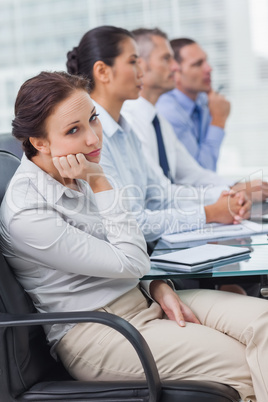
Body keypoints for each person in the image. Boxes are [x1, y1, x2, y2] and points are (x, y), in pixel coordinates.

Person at [1, 70, 268, 402]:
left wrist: (156, 286)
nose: (94, 139)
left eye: (93, 120)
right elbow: (131, 259)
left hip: (143, 297)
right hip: (100, 334)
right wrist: (100, 183)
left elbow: (124, 252)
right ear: (39, 143)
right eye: (74, 130)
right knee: (247, 365)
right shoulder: (28, 213)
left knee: (264, 322)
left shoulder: (80, 167)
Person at [66, 25, 251, 245]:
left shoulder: (126, 130)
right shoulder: (91, 140)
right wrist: (210, 212)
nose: (141, 73)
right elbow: (133, 223)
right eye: (133, 62)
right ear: (103, 71)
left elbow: (160, 195)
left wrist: (227, 198)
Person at [122, 28, 268, 205]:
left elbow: (193, 174)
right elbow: (159, 194)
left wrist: (238, 187)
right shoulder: (130, 121)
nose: (175, 67)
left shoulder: (158, 120)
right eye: (166, 59)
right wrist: (233, 192)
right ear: (140, 64)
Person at [156, 37, 229, 171]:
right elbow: (200, 171)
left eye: (206, 61)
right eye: (197, 64)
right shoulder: (168, 111)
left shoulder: (202, 99)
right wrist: (218, 120)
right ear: (175, 72)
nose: (209, 69)